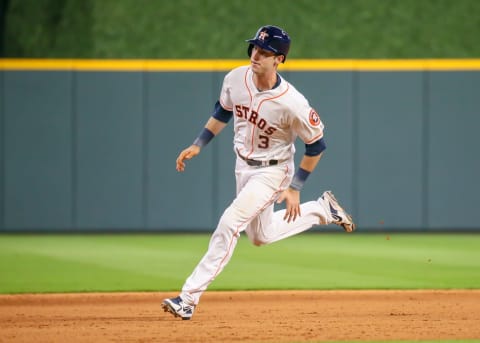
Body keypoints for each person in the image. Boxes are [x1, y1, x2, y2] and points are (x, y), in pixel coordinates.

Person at [161, 25, 355, 320]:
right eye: (255, 48)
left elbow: (317, 146)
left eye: (265, 52)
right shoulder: (236, 77)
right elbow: (223, 111)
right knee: (260, 236)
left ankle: (188, 298)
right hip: (243, 166)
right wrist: (198, 143)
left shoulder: (293, 103)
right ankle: (322, 210)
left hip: (274, 172)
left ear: (279, 59)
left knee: (229, 223)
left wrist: (294, 187)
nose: (256, 55)